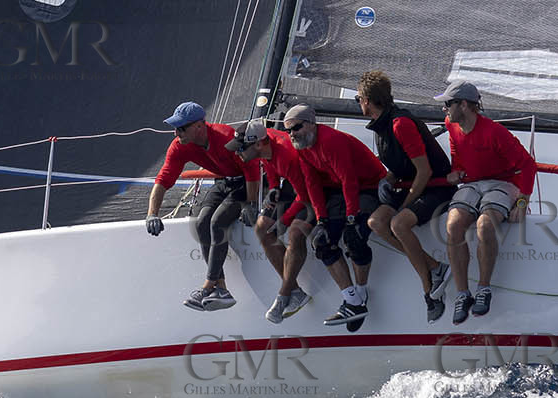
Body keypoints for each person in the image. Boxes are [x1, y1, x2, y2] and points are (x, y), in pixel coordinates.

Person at [279, 104, 389, 329]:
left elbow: (350, 180)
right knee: (322, 241)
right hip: (340, 190)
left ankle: (360, 295)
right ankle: (352, 300)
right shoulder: (302, 147)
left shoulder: (331, 141)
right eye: (288, 130)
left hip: (368, 187)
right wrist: (321, 218)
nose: (292, 134)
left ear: (311, 124)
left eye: (296, 128)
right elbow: (312, 183)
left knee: (353, 237)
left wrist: (351, 218)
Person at [356, 70, 454, 322]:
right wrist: (388, 179)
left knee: (399, 223)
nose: (358, 103)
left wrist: (406, 205)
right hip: (412, 184)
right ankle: (435, 267)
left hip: (436, 187)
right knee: (376, 222)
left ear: (368, 100)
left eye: (358, 99)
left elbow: (424, 171)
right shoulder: (381, 125)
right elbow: (401, 164)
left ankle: (428, 288)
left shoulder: (400, 125)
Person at [436, 81, 537, 324]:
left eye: (447, 104)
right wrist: (456, 169)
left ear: (463, 105)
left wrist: (522, 203)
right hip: (473, 184)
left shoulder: (495, 132)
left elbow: (527, 165)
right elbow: (456, 149)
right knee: (453, 225)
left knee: (485, 225)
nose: (444, 109)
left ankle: (484, 289)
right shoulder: (451, 124)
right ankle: (462, 294)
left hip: (503, 183)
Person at [147, 101, 258, 310]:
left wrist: (251, 204)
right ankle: (221, 289)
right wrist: (152, 214)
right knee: (200, 223)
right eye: (175, 128)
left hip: (249, 183)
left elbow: (253, 170)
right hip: (224, 181)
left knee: (217, 222)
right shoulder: (180, 145)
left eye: (181, 128)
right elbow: (163, 180)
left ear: (199, 126)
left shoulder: (226, 137)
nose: (176, 133)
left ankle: (207, 287)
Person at [228, 118, 313, 323]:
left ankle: (284, 294)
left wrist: (284, 220)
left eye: (241, 148)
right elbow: (267, 162)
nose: (237, 153)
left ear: (258, 144)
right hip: (294, 184)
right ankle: (295, 292)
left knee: (293, 233)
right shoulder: (265, 143)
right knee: (262, 228)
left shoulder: (287, 155)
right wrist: (274, 187)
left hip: (313, 188)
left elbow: (305, 196)